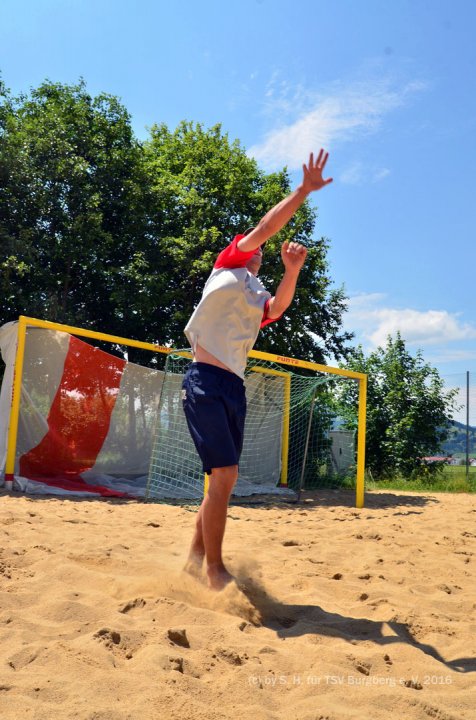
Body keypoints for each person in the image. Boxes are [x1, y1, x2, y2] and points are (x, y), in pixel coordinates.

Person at [182, 149, 333, 590]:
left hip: (233, 387)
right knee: (225, 476)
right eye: (257, 245)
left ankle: (192, 561)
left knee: (220, 481)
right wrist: (303, 191)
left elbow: (280, 307)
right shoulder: (227, 265)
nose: (261, 248)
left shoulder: (256, 295)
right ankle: (214, 569)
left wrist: (293, 271)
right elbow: (267, 227)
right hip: (205, 382)